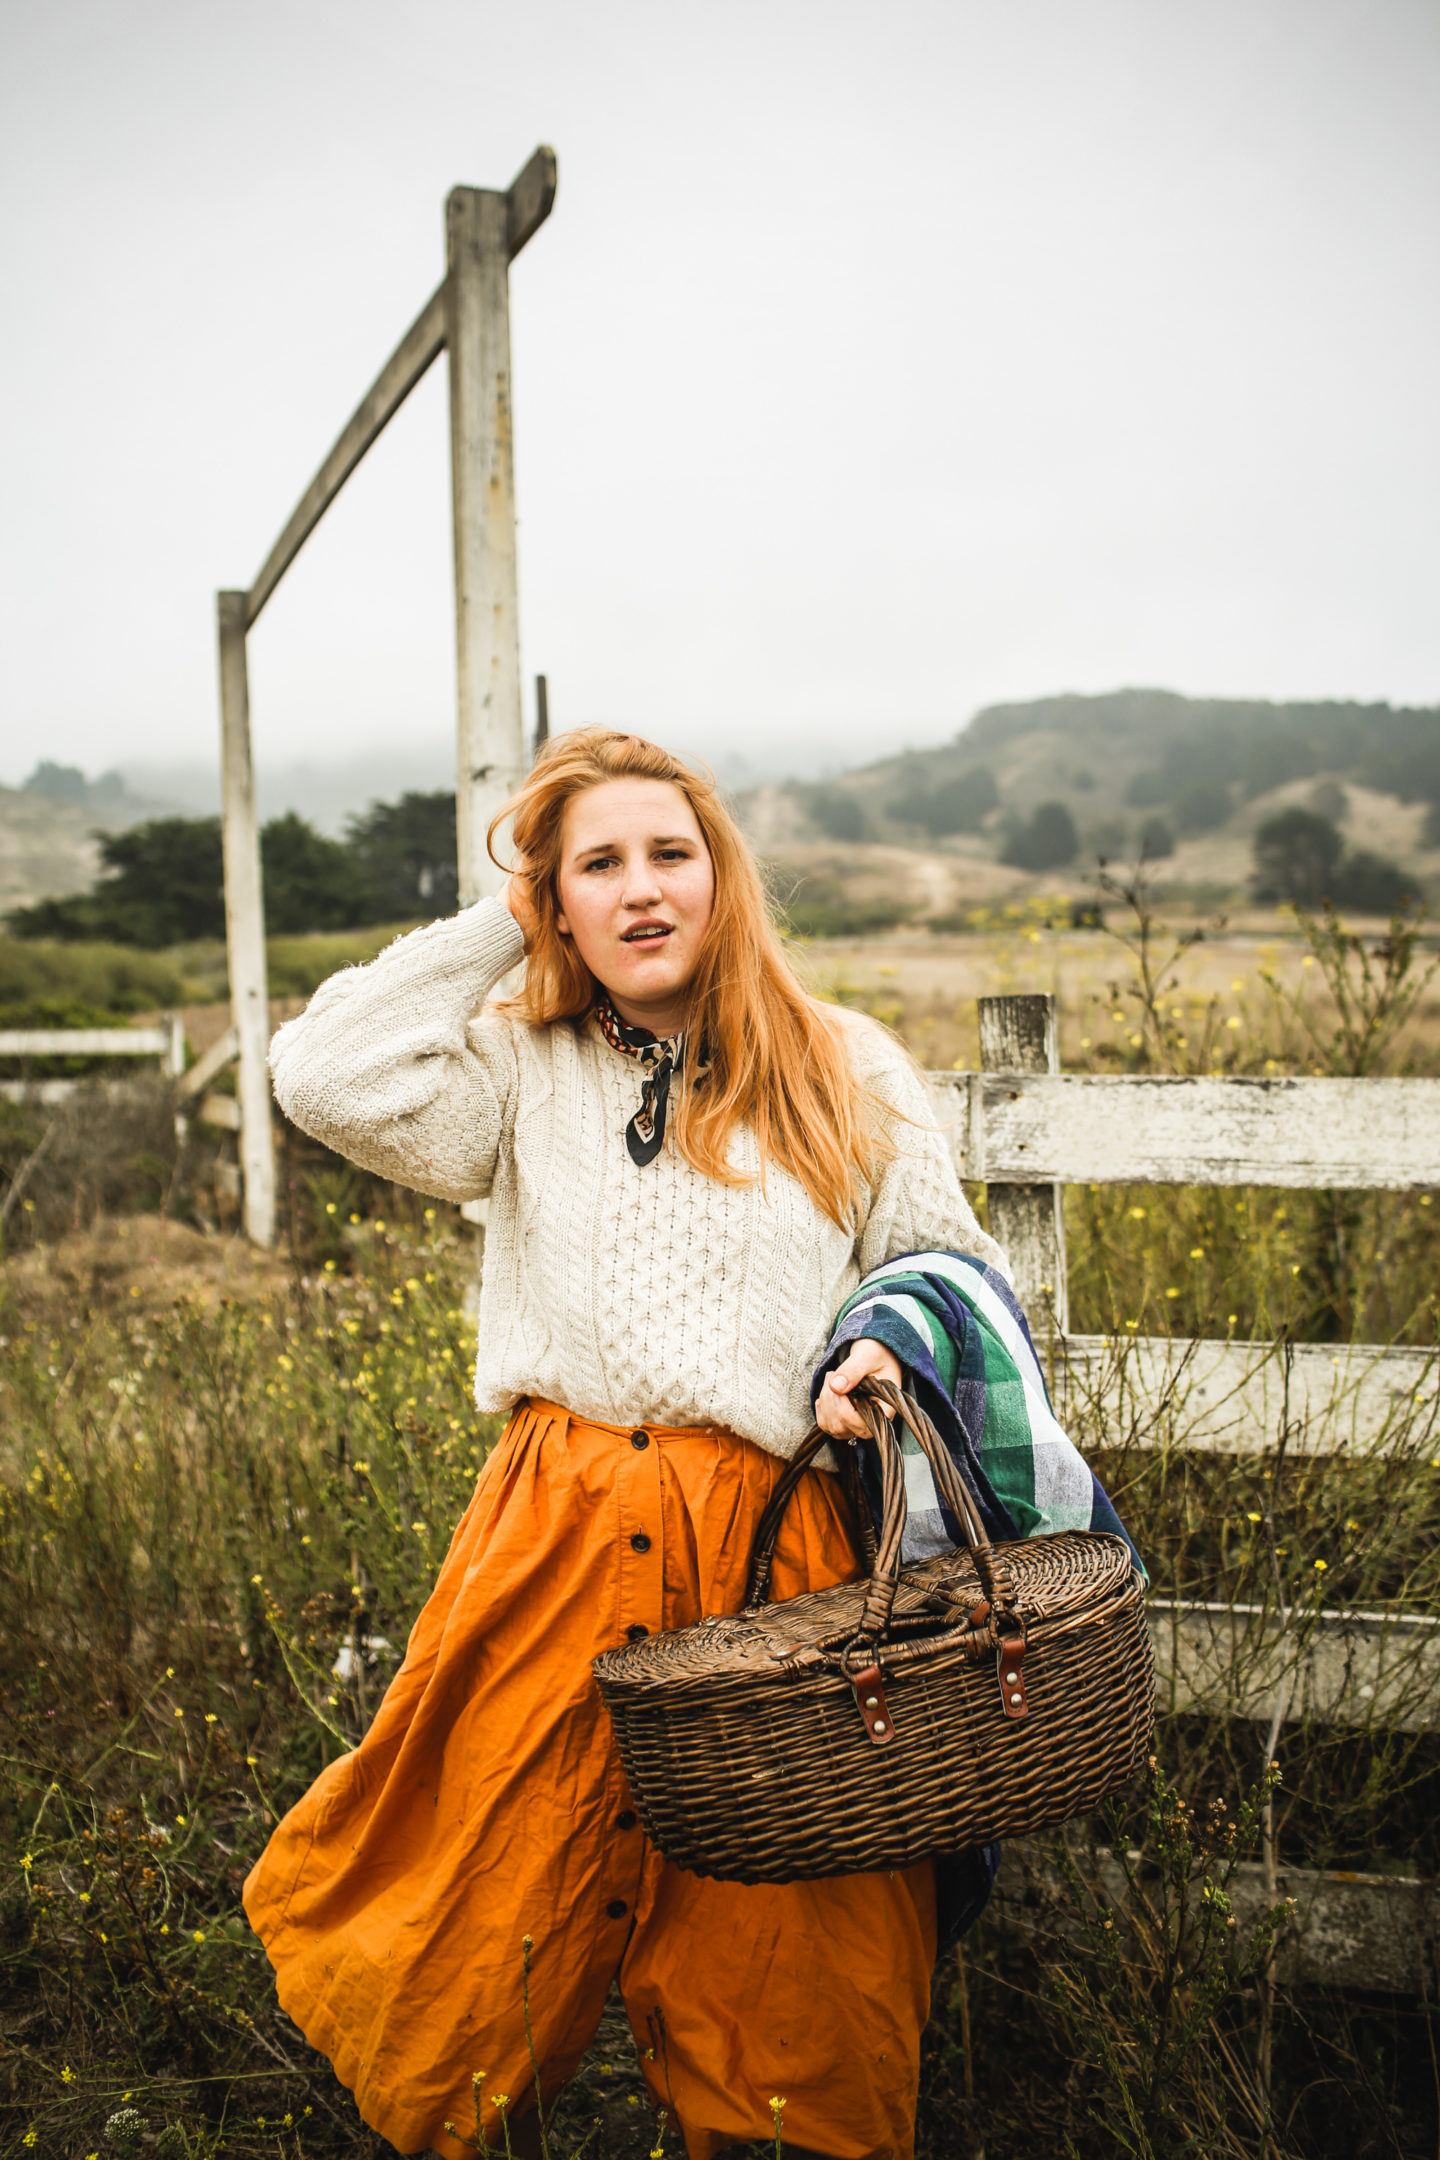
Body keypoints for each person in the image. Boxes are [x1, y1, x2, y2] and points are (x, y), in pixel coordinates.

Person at [242, 727, 1012, 2160]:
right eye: (599, 866)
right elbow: (323, 1074)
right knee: (481, 1891)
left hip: (776, 1557)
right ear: (559, 902)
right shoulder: (517, 1068)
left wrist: (878, 1350)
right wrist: (504, 920)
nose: (643, 889)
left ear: (724, 880)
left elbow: (946, 1271)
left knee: (786, 1952)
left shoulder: (843, 1062)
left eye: (674, 854)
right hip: (555, 1531)